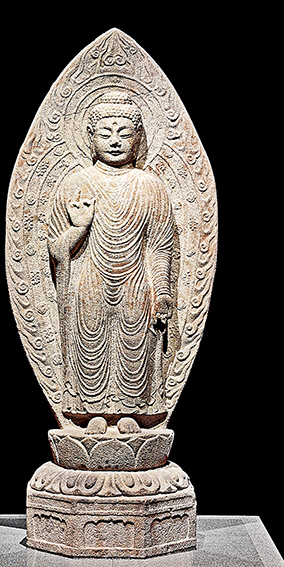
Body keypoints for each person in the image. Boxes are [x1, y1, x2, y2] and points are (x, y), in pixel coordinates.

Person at [48, 92, 175, 433]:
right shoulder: (76, 183)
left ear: (139, 137)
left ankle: (133, 412)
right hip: (88, 282)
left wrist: (162, 291)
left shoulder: (150, 186)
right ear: (90, 136)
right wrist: (79, 229)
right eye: (106, 133)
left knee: (135, 346)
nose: (115, 141)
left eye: (125, 133)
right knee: (90, 345)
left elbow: (159, 247)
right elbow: (56, 249)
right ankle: (91, 414)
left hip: (136, 284)